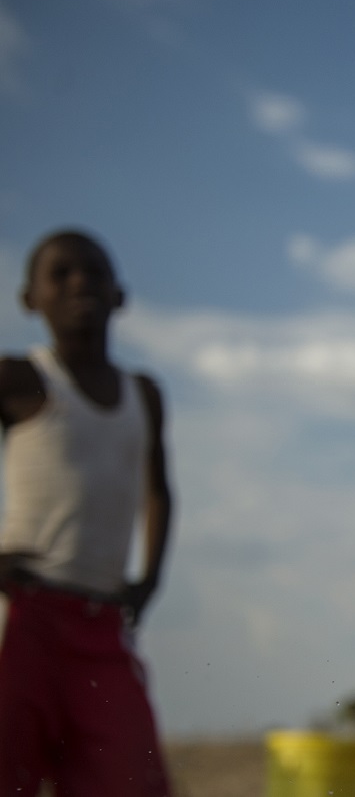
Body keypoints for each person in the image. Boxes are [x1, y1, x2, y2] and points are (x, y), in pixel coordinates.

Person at [0, 230, 174, 796]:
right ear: (30, 298)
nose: (80, 283)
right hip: (23, 615)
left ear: (119, 295)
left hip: (102, 620)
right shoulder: (21, 378)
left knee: (128, 776)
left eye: (94, 272)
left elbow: (159, 491)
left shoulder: (142, 394)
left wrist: (147, 581)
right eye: (62, 273)